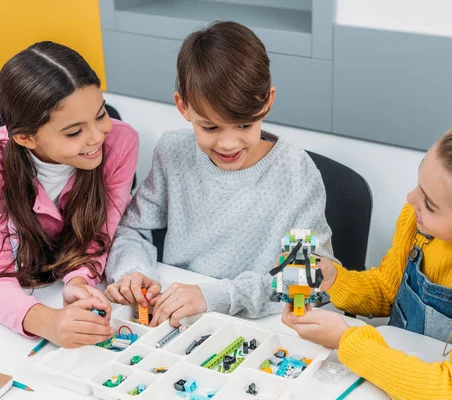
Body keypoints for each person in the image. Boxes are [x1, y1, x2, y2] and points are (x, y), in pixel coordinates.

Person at [283, 116, 452, 399]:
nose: (410, 198)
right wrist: (333, 279)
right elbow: (387, 291)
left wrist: (346, 341)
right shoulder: (419, 226)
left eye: (429, 203)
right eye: (418, 183)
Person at [104, 21, 334, 327]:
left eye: (244, 125)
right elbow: (132, 229)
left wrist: (217, 296)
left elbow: (306, 277)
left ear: (268, 101)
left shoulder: (295, 171)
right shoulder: (173, 152)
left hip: (258, 325)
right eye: (210, 127)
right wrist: (134, 271)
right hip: (177, 319)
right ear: (183, 107)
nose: (227, 143)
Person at [0, 41, 139, 348]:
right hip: (23, 277)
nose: (98, 136)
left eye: (100, 115)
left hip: (59, 278)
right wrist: (47, 322)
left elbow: (101, 233)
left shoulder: (121, 142)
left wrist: (78, 281)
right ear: (25, 137)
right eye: (74, 132)